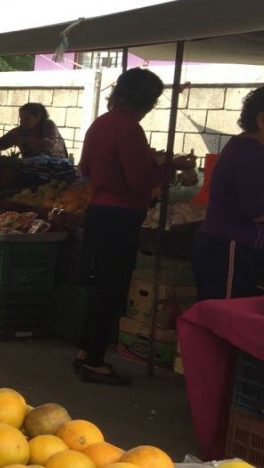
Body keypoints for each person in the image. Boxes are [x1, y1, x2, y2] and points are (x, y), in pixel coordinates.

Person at [75, 67, 192, 385]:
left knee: (97, 286)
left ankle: (85, 352)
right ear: (147, 100)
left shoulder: (101, 123)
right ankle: (96, 361)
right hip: (120, 216)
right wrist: (165, 170)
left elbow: (85, 167)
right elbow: (138, 182)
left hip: (97, 211)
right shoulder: (129, 129)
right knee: (111, 289)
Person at [191, 86, 264, 300]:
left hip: (232, 247)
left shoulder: (249, 148)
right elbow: (254, 209)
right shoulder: (250, 152)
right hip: (229, 248)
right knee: (224, 317)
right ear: (262, 119)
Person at [0, 103, 69, 158]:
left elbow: (48, 146)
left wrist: (24, 139)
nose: (22, 122)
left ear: (38, 117)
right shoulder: (20, 131)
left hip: (56, 169)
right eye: (21, 119)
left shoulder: (48, 125)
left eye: (27, 119)